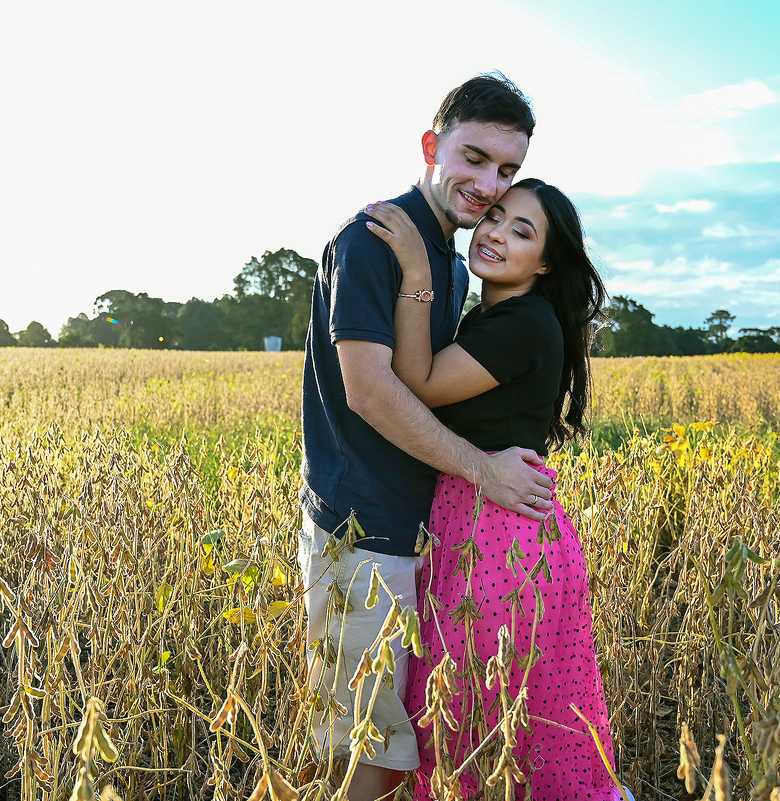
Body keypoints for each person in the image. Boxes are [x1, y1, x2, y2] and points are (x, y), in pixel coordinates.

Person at [299, 75, 553, 801]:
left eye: (506, 169)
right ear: (431, 145)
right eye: (473, 158)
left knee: (395, 742)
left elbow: (428, 381)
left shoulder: (448, 259)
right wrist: (485, 471)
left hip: (420, 536)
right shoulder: (373, 239)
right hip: (363, 530)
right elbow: (372, 391)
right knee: (369, 753)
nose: (488, 185)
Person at [363, 179, 620, 800]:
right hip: (496, 529)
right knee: (507, 720)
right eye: (496, 217)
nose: (496, 234)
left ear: (546, 263)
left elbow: (419, 382)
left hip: (500, 541)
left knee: (474, 720)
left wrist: (417, 273)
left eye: (521, 232)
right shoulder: (499, 317)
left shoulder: (524, 323)